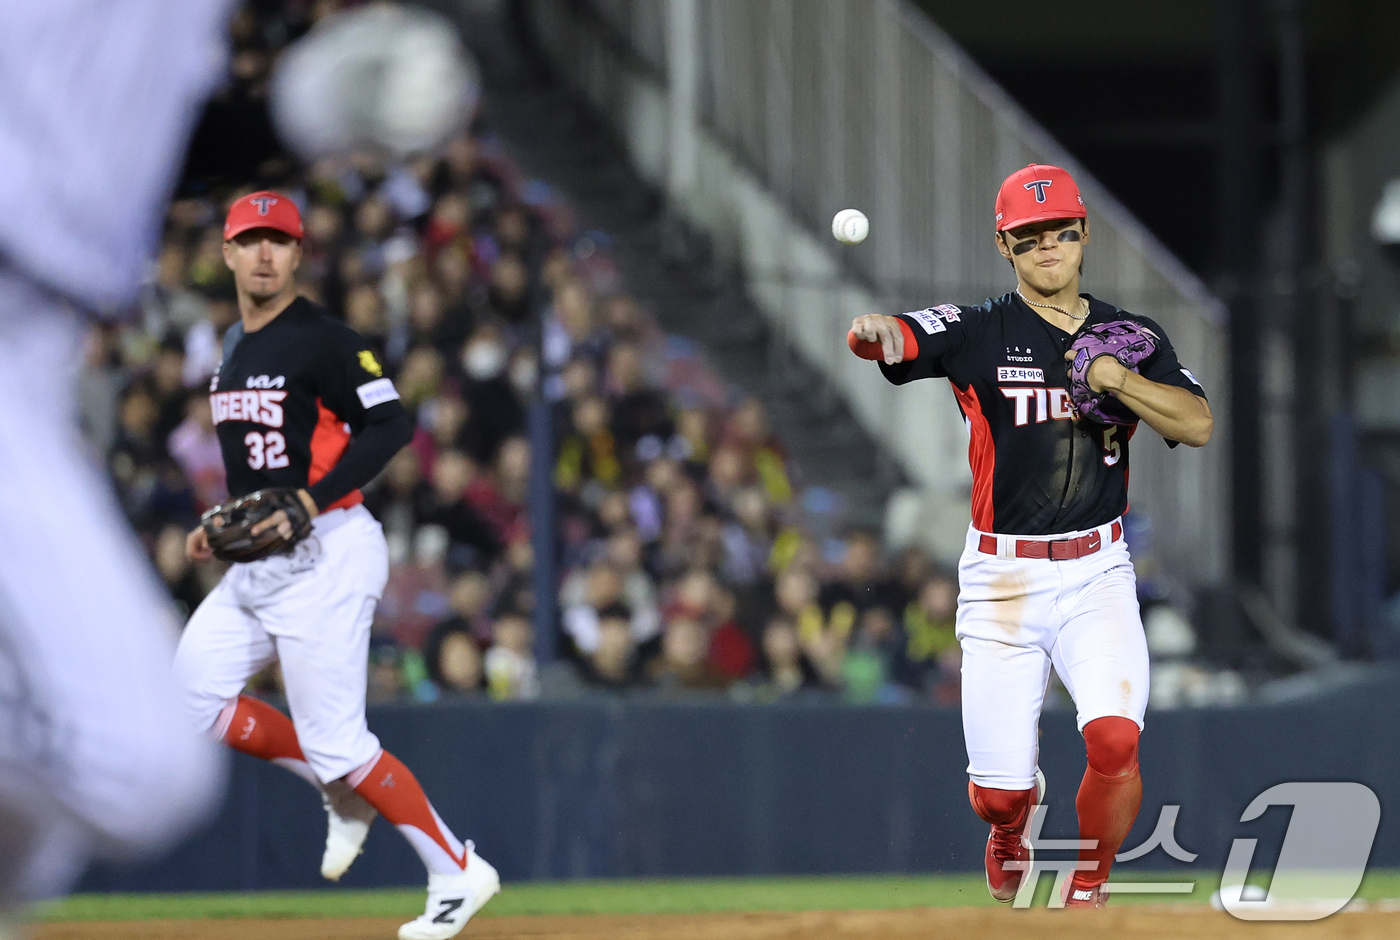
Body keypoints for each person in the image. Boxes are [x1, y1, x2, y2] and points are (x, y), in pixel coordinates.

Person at [847, 164, 1213, 909]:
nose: (1049, 246)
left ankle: (1088, 889)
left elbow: (1197, 423)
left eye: (1062, 231)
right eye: (1030, 236)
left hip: (1097, 573)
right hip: (1002, 582)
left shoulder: (1133, 338)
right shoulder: (980, 330)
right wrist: (881, 332)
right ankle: (1011, 830)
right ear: (1004, 246)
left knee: (1115, 742)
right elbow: (908, 337)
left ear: (1083, 236)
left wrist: (1118, 379)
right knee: (998, 796)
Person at [173, 193, 498, 939]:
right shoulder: (232, 344)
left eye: (278, 241)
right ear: (226, 253)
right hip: (263, 562)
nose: (264, 254)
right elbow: (258, 463)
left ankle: (457, 869)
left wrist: (312, 502)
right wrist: (218, 529)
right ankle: (339, 789)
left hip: (329, 550)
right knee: (192, 697)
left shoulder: (322, 338)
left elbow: (392, 425)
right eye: (250, 240)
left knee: (341, 744)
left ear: (298, 254)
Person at [0, 0, 234, 916]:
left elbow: (115, 147)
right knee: (139, 765)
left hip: (38, 349)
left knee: (35, 839)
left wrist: (281, 123)